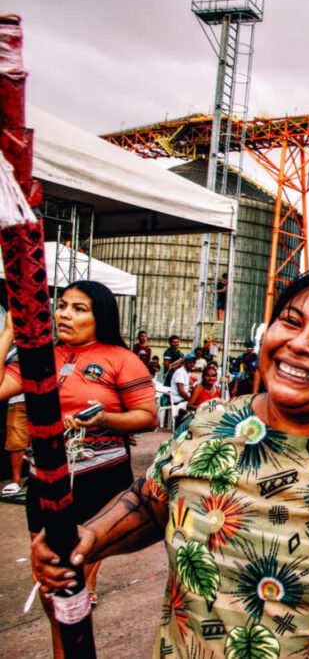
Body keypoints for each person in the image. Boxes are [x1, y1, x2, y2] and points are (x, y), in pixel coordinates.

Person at [32, 268, 309, 657]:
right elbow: (151, 499)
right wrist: (90, 537)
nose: (299, 343)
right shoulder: (211, 423)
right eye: (290, 321)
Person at [0, 280, 157, 655]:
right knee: (49, 570)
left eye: (78, 308)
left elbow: (147, 417)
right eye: (62, 305)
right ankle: (63, 648)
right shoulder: (38, 356)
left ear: (99, 315)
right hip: (46, 479)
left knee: (76, 566)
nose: (64, 314)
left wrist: (104, 418)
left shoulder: (121, 359)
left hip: (100, 476)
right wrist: (8, 333)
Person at [170, 353, 196, 428]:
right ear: (185, 362)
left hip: (183, 400)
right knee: (196, 405)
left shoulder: (186, 372)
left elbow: (191, 386)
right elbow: (181, 391)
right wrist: (191, 400)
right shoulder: (180, 372)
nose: (192, 364)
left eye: (193, 363)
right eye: (190, 362)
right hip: (178, 400)